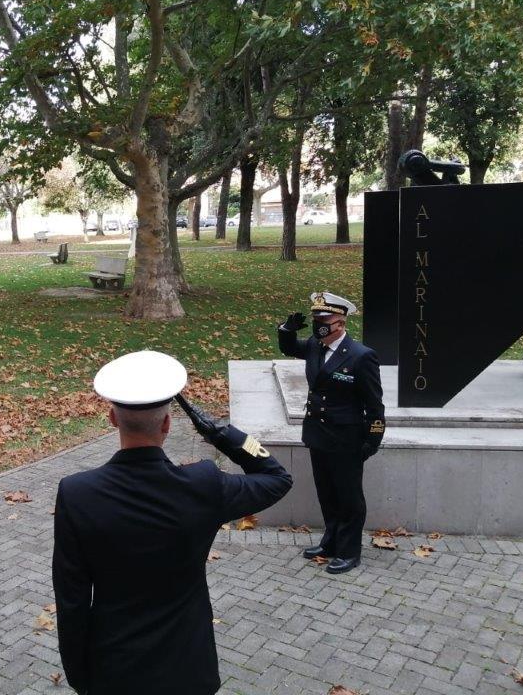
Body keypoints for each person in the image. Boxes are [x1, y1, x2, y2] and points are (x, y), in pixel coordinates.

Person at [52, 351, 292, 695]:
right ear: (167, 424)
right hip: (188, 667)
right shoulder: (204, 484)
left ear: (111, 418)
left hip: (114, 669)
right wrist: (222, 433)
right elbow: (277, 478)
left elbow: (71, 601)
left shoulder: (77, 494)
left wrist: (80, 675)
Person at [277, 291, 385, 575]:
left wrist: (372, 440)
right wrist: (287, 329)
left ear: (340, 322)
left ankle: (350, 552)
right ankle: (330, 542)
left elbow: (375, 405)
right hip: (318, 434)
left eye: (324, 318)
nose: (318, 323)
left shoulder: (362, 357)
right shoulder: (315, 346)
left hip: (347, 439)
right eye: (315, 318)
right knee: (327, 493)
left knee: (349, 497)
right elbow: (289, 347)